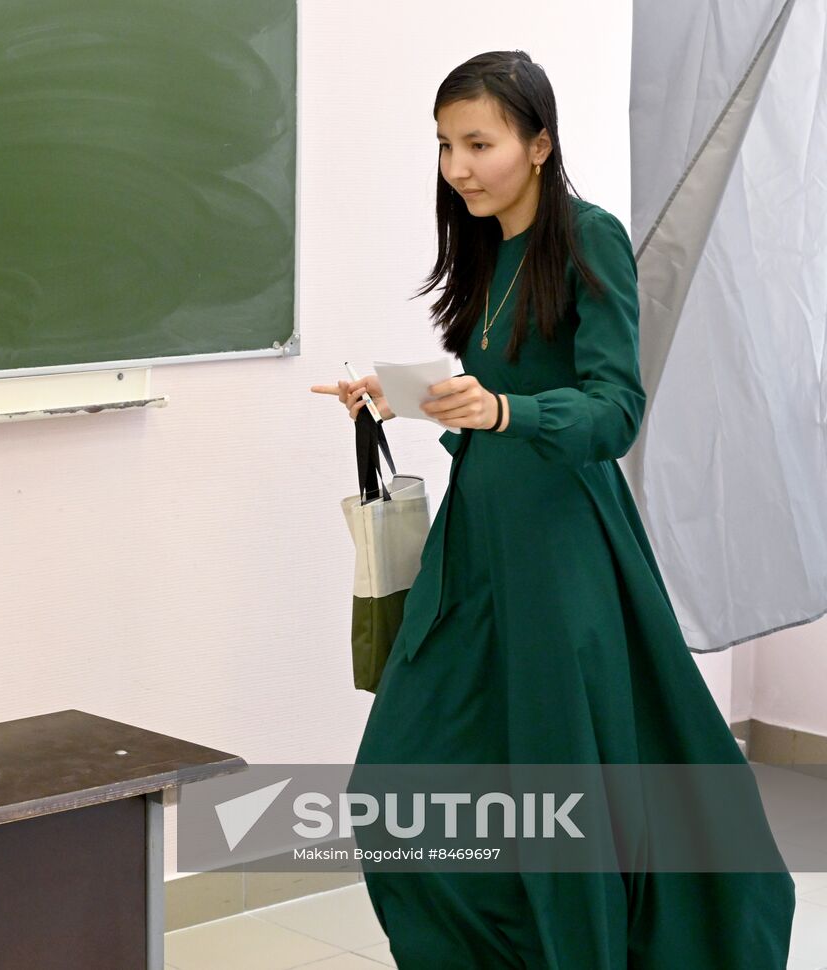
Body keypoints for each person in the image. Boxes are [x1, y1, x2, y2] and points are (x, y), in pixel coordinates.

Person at [311, 51, 796, 968]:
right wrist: (409, 397)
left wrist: (504, 410)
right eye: (447, 144)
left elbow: (614, 409)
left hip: (562, 550)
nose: (458, 166)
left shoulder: (589, 240)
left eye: (480, 143)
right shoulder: (487, 250)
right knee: (399, 776)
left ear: (539, 143)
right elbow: (498, 393)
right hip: (478, 543)